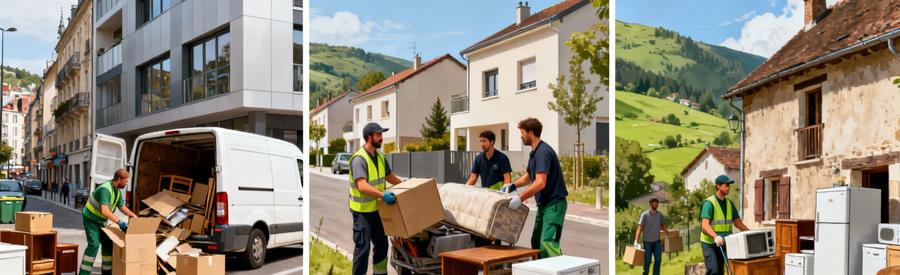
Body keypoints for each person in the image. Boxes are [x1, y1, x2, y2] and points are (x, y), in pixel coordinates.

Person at [501, 118, 568, 258]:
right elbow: (528, 176)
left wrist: (520, 198)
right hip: (544, 205)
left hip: (554, 204)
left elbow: (540, 182)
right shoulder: (535, 153)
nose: (521, 136)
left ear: (531, 133)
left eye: (522, 132)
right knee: (536, 242)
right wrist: (512, 185)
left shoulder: (543, 152)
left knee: (547, 243)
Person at [348, 122, 404, 275]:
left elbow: (389, 176)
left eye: (381, 135)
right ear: (369, 137)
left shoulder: (380, 156)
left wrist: (406, 185)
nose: (381, 138)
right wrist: (382, 195)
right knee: (363, 249)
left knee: (382, 245)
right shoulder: (359, 159)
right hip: (362, 213)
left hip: (378, 211)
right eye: (378, 135)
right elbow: (362, 186)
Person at [79, 169, 138, 275]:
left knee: (108, 244)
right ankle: (84, 273)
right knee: (94, 245)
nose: (126, 183)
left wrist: (133, 215)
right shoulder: (105, 189)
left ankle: (107, 272)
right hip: (91, 219)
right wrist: (120, 222)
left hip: (101, 221)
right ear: (119, 179)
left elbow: (121, 206)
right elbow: (105, 211)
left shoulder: (116, 191)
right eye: (126, 181)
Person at [700, 175, 750, 275]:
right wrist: (715, 236)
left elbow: (738, 223)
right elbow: (704, 225)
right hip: (710, 243)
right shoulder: (709, 203)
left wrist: (750, 232)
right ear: (718, 186)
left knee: (722, 271)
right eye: (726, 185)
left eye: (729, 185)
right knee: (713, 271)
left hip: (724, 243)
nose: (728, 187)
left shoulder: (729, 203)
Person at [634, 198, 668, 275]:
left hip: (657, 242)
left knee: (658, 260)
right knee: (648, 260)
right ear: (651, 204)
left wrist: (668, 234)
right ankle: (645, 273)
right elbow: (639, 228)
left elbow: (663, 226)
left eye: (657, 203)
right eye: (655, 203)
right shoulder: (645, 215)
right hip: (647, 243)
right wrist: (636, 240)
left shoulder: (660, 215)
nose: (656, 205)